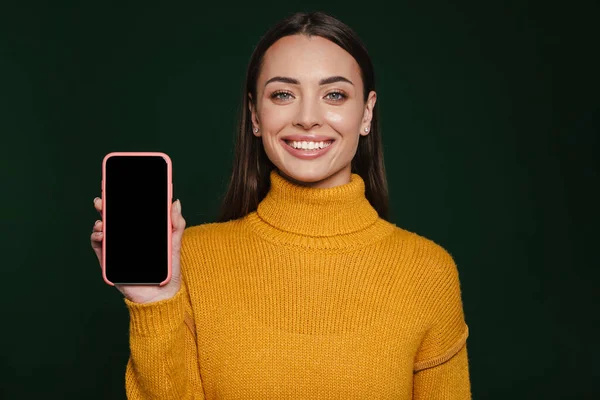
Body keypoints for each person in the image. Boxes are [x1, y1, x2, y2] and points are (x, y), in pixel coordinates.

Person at [90, 11, 471, 399]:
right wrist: (153, 302)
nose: (307, 118)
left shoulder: (428, 272)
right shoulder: (187, 259)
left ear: (367, 112)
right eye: (283, 94)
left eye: (334, 94)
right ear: (255, 114)